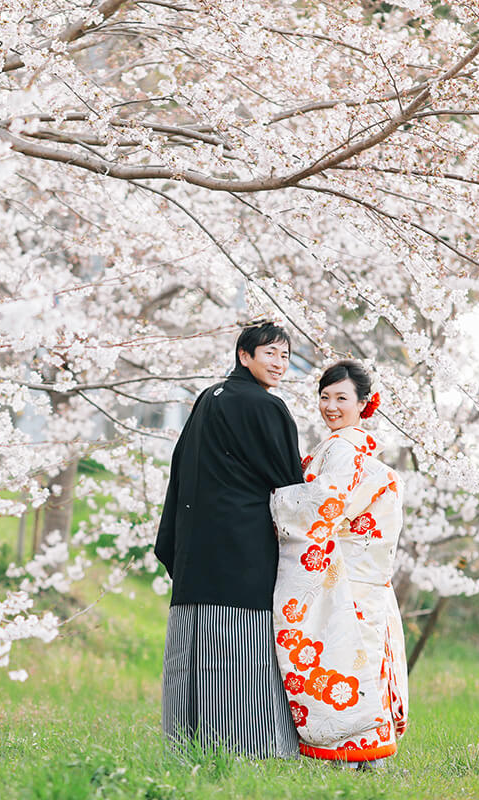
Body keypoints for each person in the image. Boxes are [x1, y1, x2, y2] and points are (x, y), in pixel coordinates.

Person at [154, 321, 305, 759]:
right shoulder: (265, 406)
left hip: (198, 546)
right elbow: (289, 484)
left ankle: (187, 742)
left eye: (284, 354)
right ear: (244, 356)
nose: (279, 363)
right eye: (270, 353)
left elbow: (180, 468)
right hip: (243, 545)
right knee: (242, 644)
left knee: (193, 647)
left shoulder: (208, 398)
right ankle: (253, 745)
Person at [270, 360, 409, 767]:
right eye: (325, 397)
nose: (331, 406)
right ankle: (368, 756)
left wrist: (273, 499)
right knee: (360, 658)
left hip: (347, 576)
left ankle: (365, 756)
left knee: (348, 659)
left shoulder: (345, 448)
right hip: (362, 576)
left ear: (363, 403)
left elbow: (324, 505)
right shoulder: (347, 446)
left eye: (341, 398)